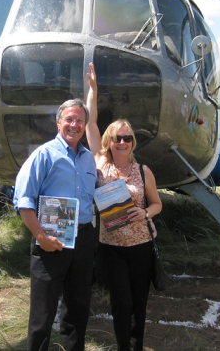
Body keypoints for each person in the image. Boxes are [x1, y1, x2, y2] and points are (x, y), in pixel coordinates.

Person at [85, 63, 162, 351]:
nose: (122, 141)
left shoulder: (143, 171)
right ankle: (123, 347)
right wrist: (92, 91)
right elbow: (91, 123)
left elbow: (157, 204)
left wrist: (145, 212)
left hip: (141, 244)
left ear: (132, 143)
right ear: (109, 141)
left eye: (127, 137)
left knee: (139, 302)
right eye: (117, 137)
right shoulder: (100, 164)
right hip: (111, 247)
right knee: (121, 302)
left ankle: (137, 346)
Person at [13, 98, 98, 351]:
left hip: (83, 240)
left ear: (84, 124)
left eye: (80, 120)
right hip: (50, 241)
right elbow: (24, 201)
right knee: (43, 314)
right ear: (58, 122)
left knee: (78, 309)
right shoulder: (43, 155)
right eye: (69, 119)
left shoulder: (88, 159)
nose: (74, 124)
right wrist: (41, 237)